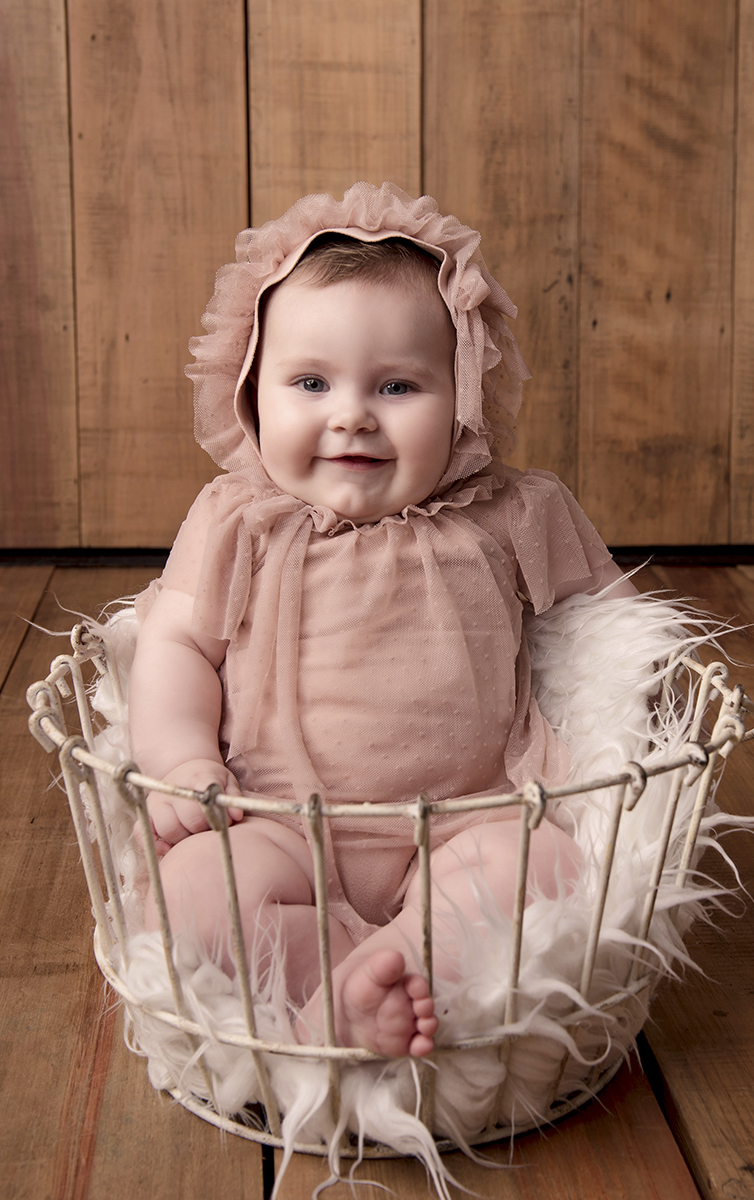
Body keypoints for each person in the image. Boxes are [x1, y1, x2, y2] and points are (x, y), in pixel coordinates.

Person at [129, 182, 635, 1060]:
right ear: (253, 393)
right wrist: (181, 755)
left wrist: (636, 708)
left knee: (548, 870)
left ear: (464, 393)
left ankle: (400, 964)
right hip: (279, 822)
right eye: (311, 382)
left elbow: (612, 627)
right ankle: (343, 980)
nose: (351, 413)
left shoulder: (511, 511)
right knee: (192, 898)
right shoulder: (237, 519)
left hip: (463, 820)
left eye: (398, 384)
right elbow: (175, 644)